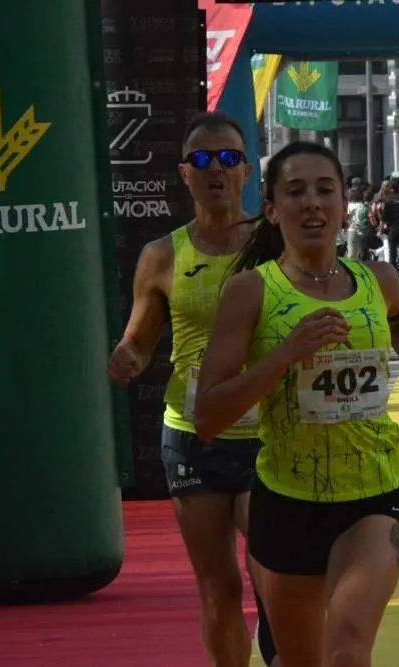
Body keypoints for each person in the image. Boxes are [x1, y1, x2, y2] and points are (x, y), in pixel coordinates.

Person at [193, 141, 399, 667]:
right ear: (271, 208)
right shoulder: (249, 293)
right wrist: (286, 354)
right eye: (296, 192)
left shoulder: (377, 280)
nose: (312, 203)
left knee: (348, 650)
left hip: (377, 492)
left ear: (342, 206)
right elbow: (210, 416)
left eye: (325, 190)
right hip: (287, 501)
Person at [106, 111, 278, 667]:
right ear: (185, 174)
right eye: (202, 160)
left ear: (247, 171)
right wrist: (126, 357)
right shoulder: (162, 256)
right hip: (191, 434)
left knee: (273, 572)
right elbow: (140, 338)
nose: (216, 170)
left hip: (268, 434)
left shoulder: (274, 244)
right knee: (216, 588)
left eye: (228, 158)